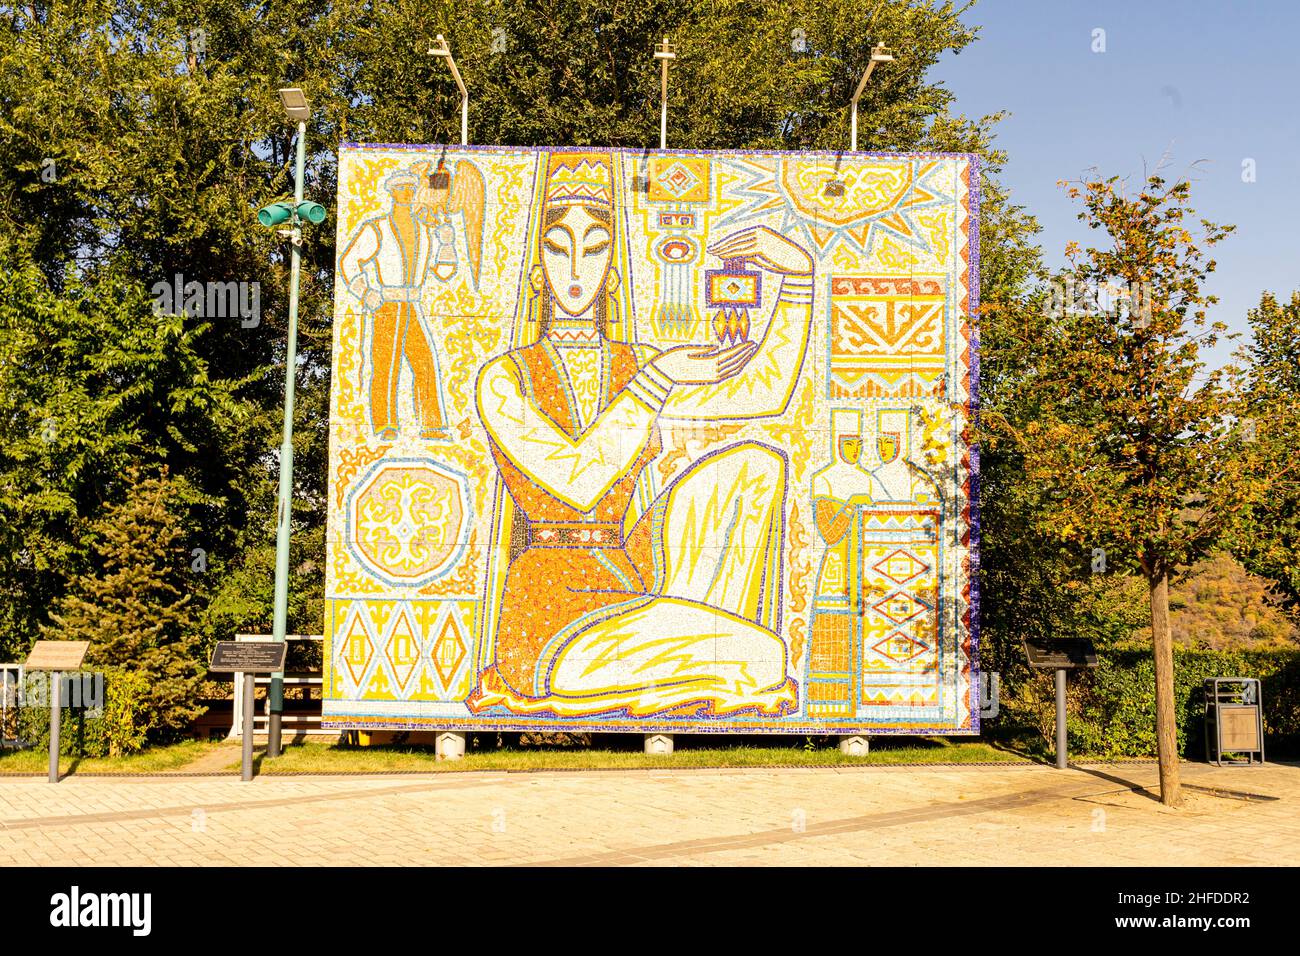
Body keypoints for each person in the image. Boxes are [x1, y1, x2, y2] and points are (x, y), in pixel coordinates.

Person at [470, 152, 815, 718]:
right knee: (762, 657)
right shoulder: (504, 377)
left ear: (613, 266)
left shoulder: (639, 362)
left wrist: (798, 277)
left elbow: (766, 393)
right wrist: (656, 380)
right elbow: (575, 482)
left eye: (595, 248)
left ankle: (686, 643)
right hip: (551, 608)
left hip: (630, 580)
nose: (576, 268)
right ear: (536, 270)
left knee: (755, 463)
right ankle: (684, 662)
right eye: (557, 250)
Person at [338, 168, 450, 441]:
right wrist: (365, 293)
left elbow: (443, 271)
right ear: (392, 193)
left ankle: (432, 424)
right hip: (386, 304)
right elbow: (349, 261)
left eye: (411, 189)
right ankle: (385, 424)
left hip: (412, 304)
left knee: (424, 362)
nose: (407, 194)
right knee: (385, 364)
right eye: (401, 189)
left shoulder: (426, 231)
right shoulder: (376, 227)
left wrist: (447, 243)